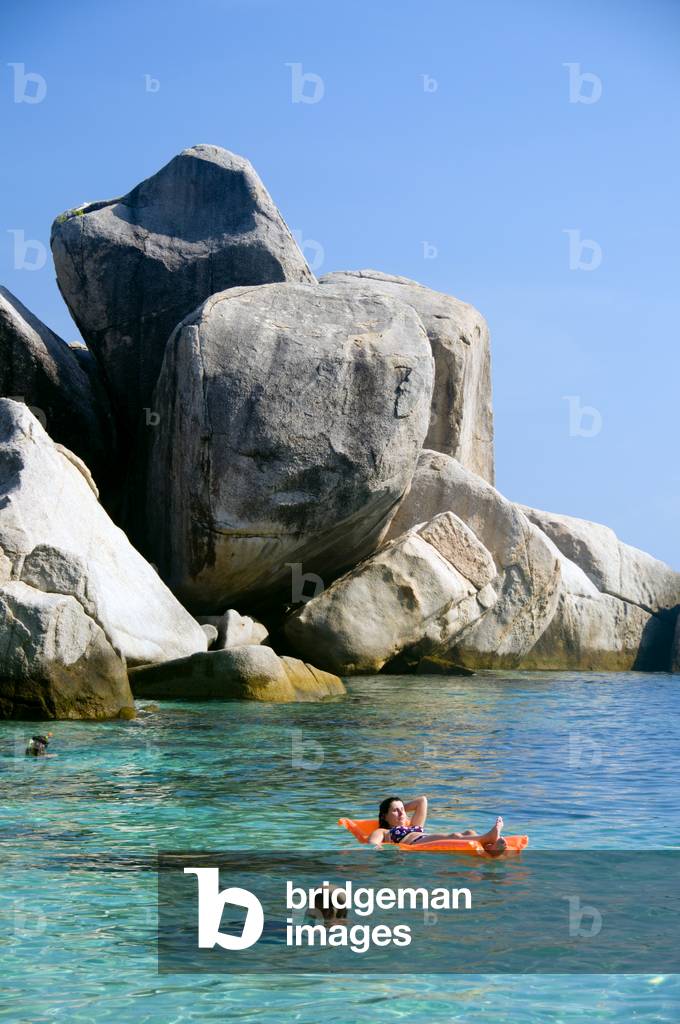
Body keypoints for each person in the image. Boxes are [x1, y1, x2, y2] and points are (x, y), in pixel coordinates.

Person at [368, 795, 507, 856]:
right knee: (455, 836)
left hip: (425, 838)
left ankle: (491, 848)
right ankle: (488, 837)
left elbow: (422, 801)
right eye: (395, 811)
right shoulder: (384, 831)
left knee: (469, 832)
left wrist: (397, 807)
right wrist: (379, 848)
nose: (401, 813)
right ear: (384, 816)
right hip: (416, 843)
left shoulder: (413, 825)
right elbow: (373, 843)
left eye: (402, 809)